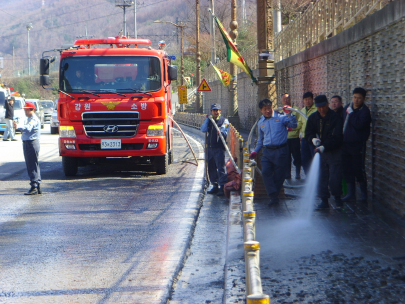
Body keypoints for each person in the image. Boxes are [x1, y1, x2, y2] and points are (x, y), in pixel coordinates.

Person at [249, 98, 297, 206]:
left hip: (281, 150)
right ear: (261, 110)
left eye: (269, 108)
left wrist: (289, 114)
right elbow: (260, 139)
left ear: (272, 107)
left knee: (280, 175)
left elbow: (294, 125)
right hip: (267, 152)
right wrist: (255, 151)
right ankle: (272, 194)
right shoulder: (260, 121)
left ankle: (274, 198)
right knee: (265, 172)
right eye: (265, 109)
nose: (268, 111)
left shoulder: (281, 117)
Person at [305, 95, 344, 209]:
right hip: (320, 151)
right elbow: (308, 133)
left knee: (335, 176)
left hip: (334, 150)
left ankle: (337, 198)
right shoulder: (313, 118)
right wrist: (312, 139)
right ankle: (324, 200)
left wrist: (325, 146)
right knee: (322, 175)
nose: (321, 109)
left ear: (327, 104)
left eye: (323, 106)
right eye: (318, 107)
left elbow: (337, 137)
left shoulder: (335, 118)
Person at [342, 87, 371, 203]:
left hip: (358, 144)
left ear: (363, 99)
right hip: (345, 143)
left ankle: (364, 194)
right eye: (354, 97)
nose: (356, 100)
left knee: (358, 168)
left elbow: (358, 125)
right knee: (347, 168)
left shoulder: (364, 112)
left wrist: (352, 114)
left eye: (359, 98)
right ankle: (351, 193)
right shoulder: (347, 108)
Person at [201, 103, 230, 196]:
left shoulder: (224, 121)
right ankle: (214, 185)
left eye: (217, 110)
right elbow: (203, 129)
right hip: (210, 148)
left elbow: (225, 130)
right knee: (211, 167)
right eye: (214, 110)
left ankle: (222, 186)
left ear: (220, 111)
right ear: (211, 112)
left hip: (219, 148)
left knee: (221, 167)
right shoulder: (209, 120)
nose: (216, 112)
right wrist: (206, 120)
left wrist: (221, 131)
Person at [20, 102, 42, 195]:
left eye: (26, 110)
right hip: (30, 143)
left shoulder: (33, 119)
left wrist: (18, 127)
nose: (25, 111)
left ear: (31, 110)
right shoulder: (30, 118)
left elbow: (28, 128)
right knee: (34, 164)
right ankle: (37, 185)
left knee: (31, 165)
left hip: (31, 144)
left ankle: (34, 186)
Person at [281, 93, 302, 180]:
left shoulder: (296, 110)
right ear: (281, 100)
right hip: (284, 139)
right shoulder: (280, 111)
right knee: (286, 157)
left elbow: (300, 122)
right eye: (284, 99)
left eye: (288, 98)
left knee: (297, 156)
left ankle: (297, 173)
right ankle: (287, 174)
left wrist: (293, 129)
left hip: (294, 137)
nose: (286, 100)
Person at [298, 91, 317, 176]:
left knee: (314, 157)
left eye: (309, 99)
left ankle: (316, 176)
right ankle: (308, 176)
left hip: (313, 138)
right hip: (305, 138)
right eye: (305, 100)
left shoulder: (316, 109)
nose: (307, 101)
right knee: (305, 158)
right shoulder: (302, 110)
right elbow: (299, 124)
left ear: (312, 100)